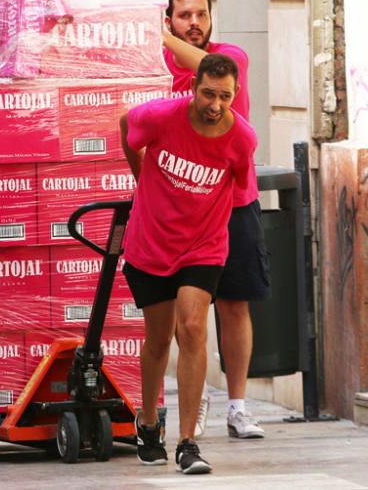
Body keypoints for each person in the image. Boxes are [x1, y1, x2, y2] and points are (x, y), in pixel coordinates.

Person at [120, 53, 257, 474]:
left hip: (202, 245)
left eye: (225, 96)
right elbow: (126, 126)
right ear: (194, 87)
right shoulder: (161, 117)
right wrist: (142, 176)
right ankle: (147, 424)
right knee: (159, 339)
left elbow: (240, 190)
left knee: (193, 328)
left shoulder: (242, 139)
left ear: (235, 95)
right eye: (209, 94)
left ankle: (188, 443)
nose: (216, 104)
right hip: (151, 241)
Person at [162, 0, 270, 440]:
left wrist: (150, 31)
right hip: (181, 208)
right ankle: (195, 390)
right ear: (171, 18)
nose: (194, 22)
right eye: (183, 15)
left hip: (234, 204)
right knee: (179, 310)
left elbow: (206, 69)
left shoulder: (231, 59)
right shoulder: (159, 66)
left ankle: (238, 405)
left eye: (201, 14)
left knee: (233, 304)